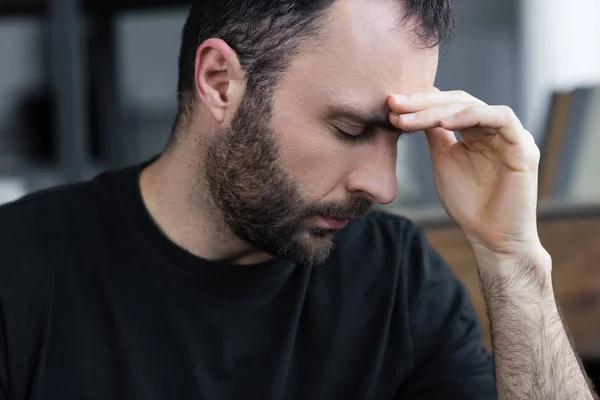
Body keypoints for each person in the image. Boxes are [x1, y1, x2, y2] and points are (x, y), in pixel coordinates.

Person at [0, 0, 596, 398]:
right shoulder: (20, 272)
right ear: (220, 82)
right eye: (350, 130)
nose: (383, 187)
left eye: (396, 136)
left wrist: (512, 256)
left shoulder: (397, 279)